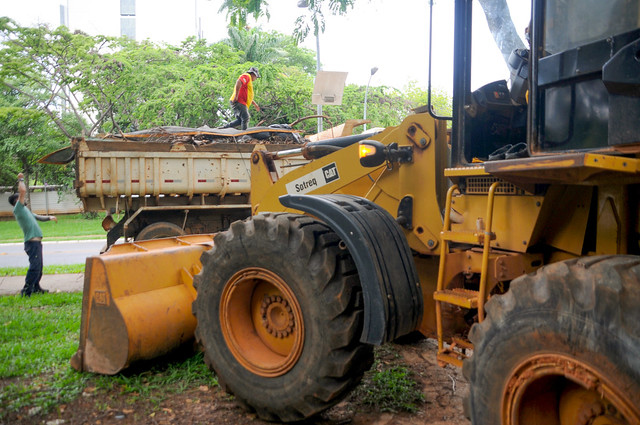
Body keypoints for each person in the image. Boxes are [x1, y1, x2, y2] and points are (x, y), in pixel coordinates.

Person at [8, 173, 57, 297]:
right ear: (17, 200)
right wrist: (21, 179)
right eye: (21, 198)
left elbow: (38, 217)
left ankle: (36, 287)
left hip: (36, 243)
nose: (24, 199)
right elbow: (23, 190)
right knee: (34, 267)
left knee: (39, 267)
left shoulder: (26, 211)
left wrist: (50, 217)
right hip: (31, 242)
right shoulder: (18, 209)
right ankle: (26, 291)